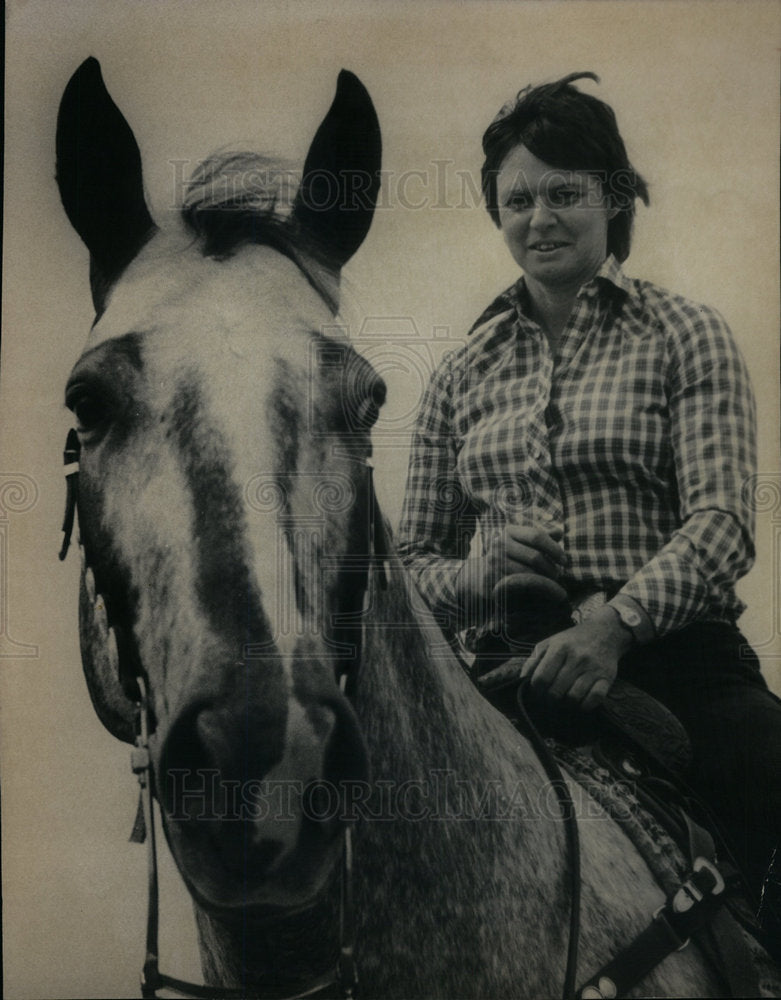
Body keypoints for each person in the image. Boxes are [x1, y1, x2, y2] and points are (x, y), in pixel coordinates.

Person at [397, 72, 781, 937]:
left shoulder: (685, 333)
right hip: (500, 668)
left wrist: (614, 627)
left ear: (613, 197)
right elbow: (410, 559)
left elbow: (720, 524)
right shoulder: (458, 375)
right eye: (516, 200)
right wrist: (473, 574)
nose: (540, 219)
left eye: (564, 193)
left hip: (676, 662)